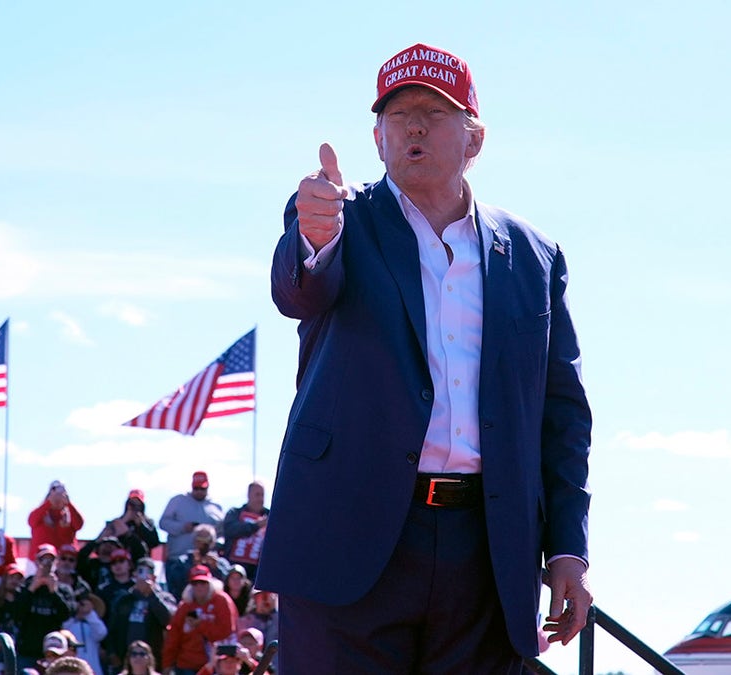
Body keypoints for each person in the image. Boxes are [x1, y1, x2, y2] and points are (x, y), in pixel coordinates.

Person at [259, 42, 594, 672]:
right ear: (377, 138)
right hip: (346, 538)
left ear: (475, 138)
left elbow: (563, 414)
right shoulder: (337, 218)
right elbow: (298, 293)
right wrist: (314, 235)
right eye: (398, 114)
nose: (414, 127)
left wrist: (566, 551)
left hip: (488, 553)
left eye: (435, 113)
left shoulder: (534, 255)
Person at [105, 557, 177, 674]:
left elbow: (168, 619)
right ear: (134, 575)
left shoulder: (165, 598)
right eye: (140, 572)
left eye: (147, 573)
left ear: (154, 577)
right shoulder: (124, 599)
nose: (143, 577)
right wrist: (112, 652)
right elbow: (113, 627)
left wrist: (152, 595)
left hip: (152, 657)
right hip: (125, 657)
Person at [161, 565, 236, 675]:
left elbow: (226, 632)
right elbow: (173, 636)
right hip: (186, 664)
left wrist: (200, 625)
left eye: (203, 583)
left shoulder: (221, 601)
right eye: (195, 583)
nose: (199, 587)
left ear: (210, 583)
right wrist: (167, 664)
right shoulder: (185, 606)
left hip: (215, 665)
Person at [15, 544, 76, 668]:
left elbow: (66, 615)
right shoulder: (25, 584)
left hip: (53, 653)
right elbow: (17, 614)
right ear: (36, 561)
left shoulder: (63, 588)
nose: (47, 564)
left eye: (51, 560)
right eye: (43, 560)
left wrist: (54, 592)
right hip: (28, 650)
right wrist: (32, 588)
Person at [158, 472, 223, 562]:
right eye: (196, 488)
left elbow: (222, 532)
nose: (199, 491)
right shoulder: (178, 501)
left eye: (202, 489)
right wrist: (183, 527)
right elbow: (163, 523)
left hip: (206, 560)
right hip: (178, 559)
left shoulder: (216, 507)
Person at [91, 489, 161, 563]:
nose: (135, 507)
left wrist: (141, 525)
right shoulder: (116, 522)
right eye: (132, 504)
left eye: (138, 505)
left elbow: (154, 542)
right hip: (118, 562)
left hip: (140, 561)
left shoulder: (149, 522)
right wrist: (124, 521)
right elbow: (102, 540)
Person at [166, 524, 230, 602]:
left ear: (212, 542)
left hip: (215, 604)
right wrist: (192, 566)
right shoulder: (183, 561)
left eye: (207, 540)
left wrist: (216, 568)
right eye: (200, 540)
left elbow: (230, 585)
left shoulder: (221, 563)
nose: (203, 544)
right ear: (194, 541)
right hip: (189, 602)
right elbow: (176, 584)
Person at [220, 481, 268, 583]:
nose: (260, 499)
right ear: (248, 495)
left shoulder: (269, 516)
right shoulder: (235, 513)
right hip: (233, 568)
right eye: (257, 495)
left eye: (262, 495)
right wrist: (256, 526)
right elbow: (230, 530)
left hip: (257, 572)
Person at [28, 480, 84, 551]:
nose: (57, 499)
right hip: (43, 556)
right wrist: (48, 503)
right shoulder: (40, 513)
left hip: (65, 556)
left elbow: (79, 525)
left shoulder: (70, 514)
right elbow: (31, 521)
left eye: (61, 496)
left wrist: (69, 504)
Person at [63, 588, 108, 675]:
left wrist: (89, 614)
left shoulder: (93, 622)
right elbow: (63, 630)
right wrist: (75, 615)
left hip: (93, 667)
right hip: (72, 667)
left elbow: (101, 633)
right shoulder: (69, 623)